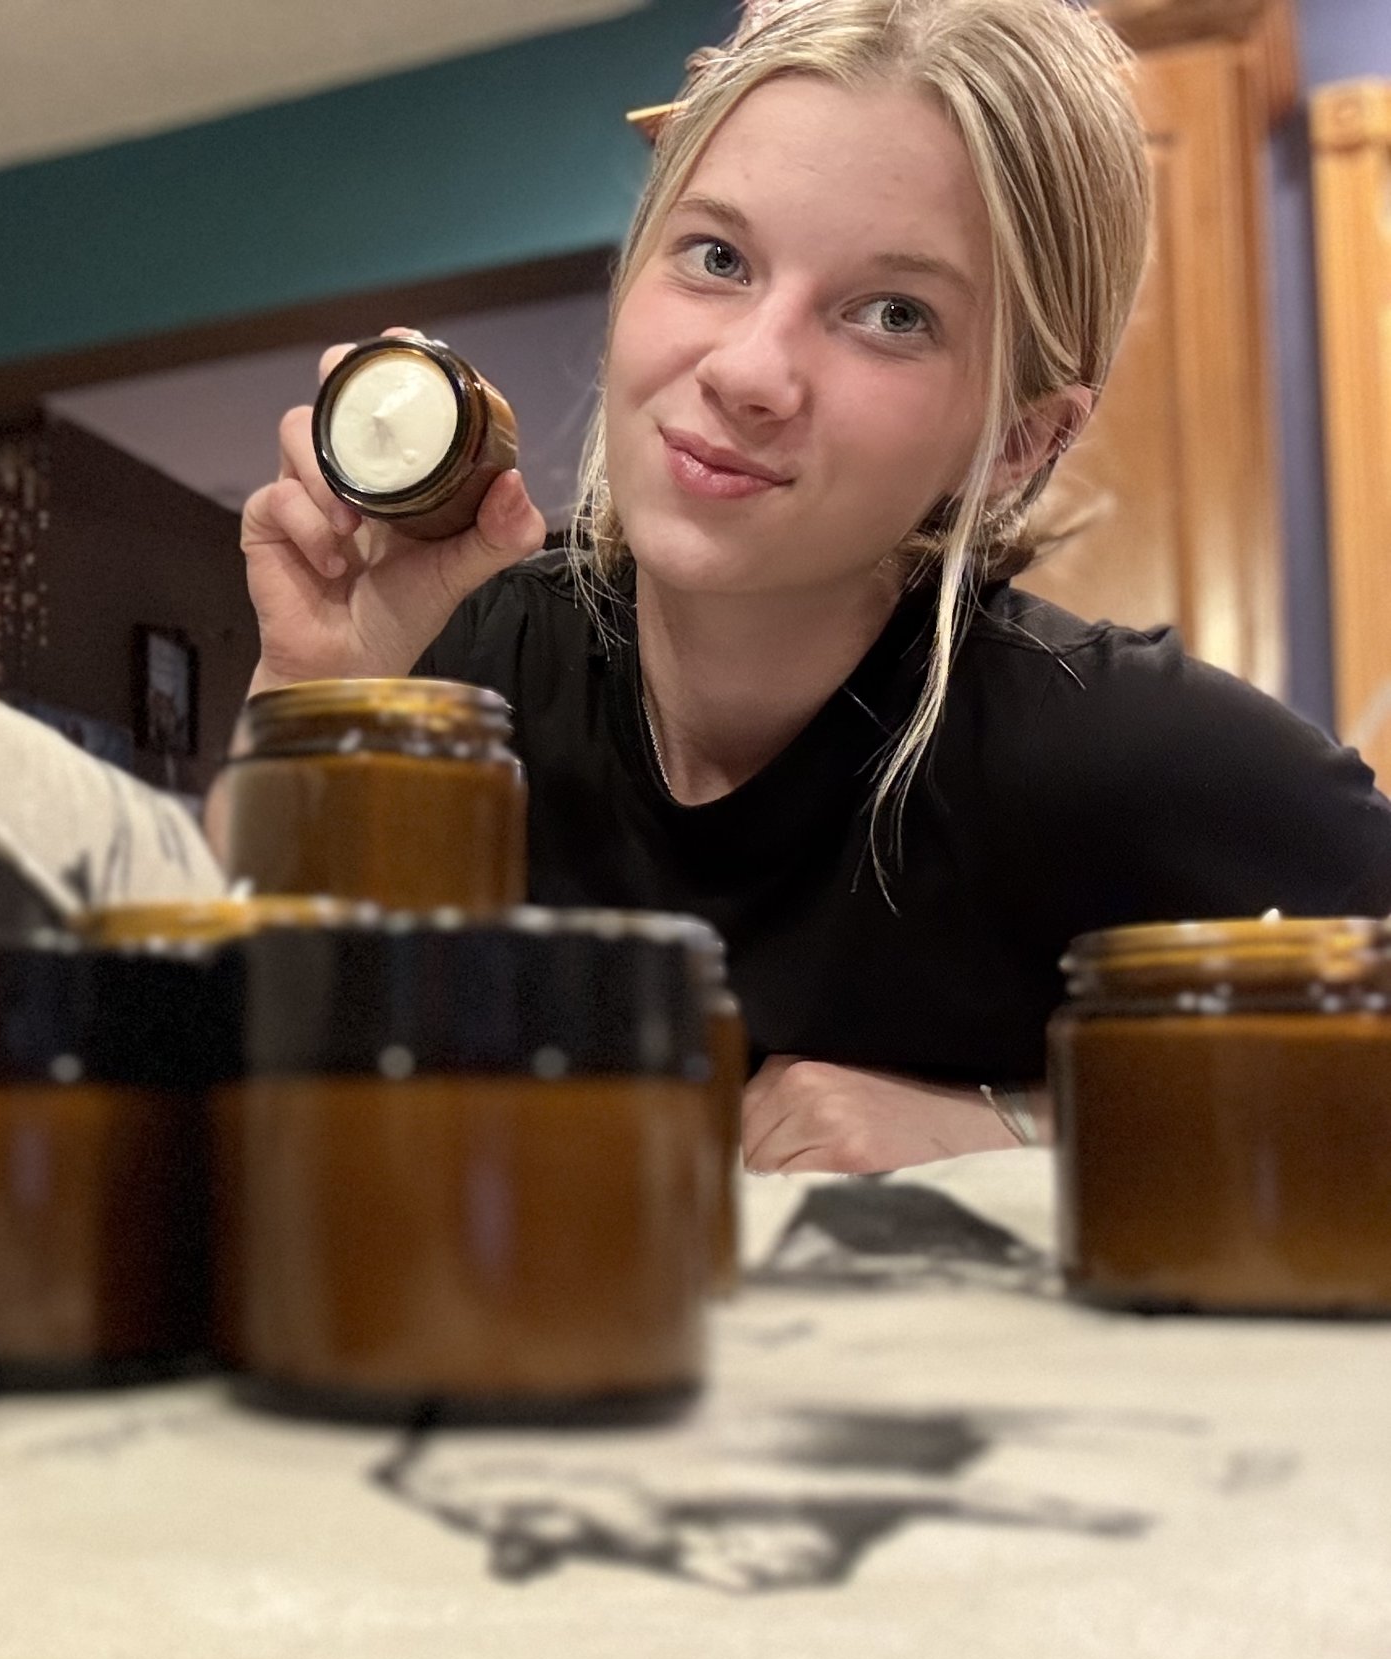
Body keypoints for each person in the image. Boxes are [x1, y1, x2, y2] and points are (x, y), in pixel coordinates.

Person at [235, 0, 1391, 1176]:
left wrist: (1017, 1130)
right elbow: (234, 1085)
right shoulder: (461, 661)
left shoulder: (1108, 750)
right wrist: (308, 699)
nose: (748, 372)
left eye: (894, 315)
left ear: (1014, 445)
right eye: (717, 257)